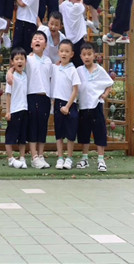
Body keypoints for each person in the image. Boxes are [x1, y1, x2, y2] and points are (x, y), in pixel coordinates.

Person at [76, 42, 114, 172]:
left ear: (94, 55)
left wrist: (105, 95)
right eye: (84, 54)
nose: (87, 57)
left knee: (99, 132)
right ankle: (84, 158)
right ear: (80, 56)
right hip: (83, 106)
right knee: (84, 133)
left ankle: (101, 160)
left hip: (96, 105)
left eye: (89, 54)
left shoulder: (100, 70)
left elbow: (109, 83)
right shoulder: (78, 70)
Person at [51, 40, 81, 170]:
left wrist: (68, 106)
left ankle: (69, 157)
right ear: (58, 52)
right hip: (58, 103)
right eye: (62, 51)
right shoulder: (55, 68)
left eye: (67, 51)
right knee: (59, 133)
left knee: (70, 133)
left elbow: (75, 90)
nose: (64, 54)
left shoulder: (73, 70)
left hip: (70, 104)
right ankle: (60, 157)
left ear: (72, 54)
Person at [25, 31, 52, 169]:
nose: (37, 40)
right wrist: (10, 73)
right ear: (31, 44)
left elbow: (52, 77)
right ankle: (34, 156)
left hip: (45, 97)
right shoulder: (27, 59)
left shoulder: (48, 61)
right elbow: (14, 68)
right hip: (31, 95)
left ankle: (41, 155)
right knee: (33, 126)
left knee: (43, 126)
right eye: (35, 38)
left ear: (45, 45)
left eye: (41, 39)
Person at [4, 48, 29, 169]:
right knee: (11, 136)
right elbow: (8, 95)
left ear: (25, 61)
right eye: (17, 59)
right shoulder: (11, 77)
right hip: (14, 110)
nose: (19, 61)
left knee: (22, 136)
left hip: (24, 109)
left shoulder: (25, 75)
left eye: (22, 59)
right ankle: (10, 158)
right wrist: (8, 111)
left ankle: (22, 157)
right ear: (12, 62)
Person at [59, 0, 87, 68]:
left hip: (70, 41)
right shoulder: (77, 7)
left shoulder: (64, 5)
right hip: (79, 40)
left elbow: (59, 5)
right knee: (80, 66)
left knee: (71, 65)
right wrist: (81, 0)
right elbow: (81, 5)